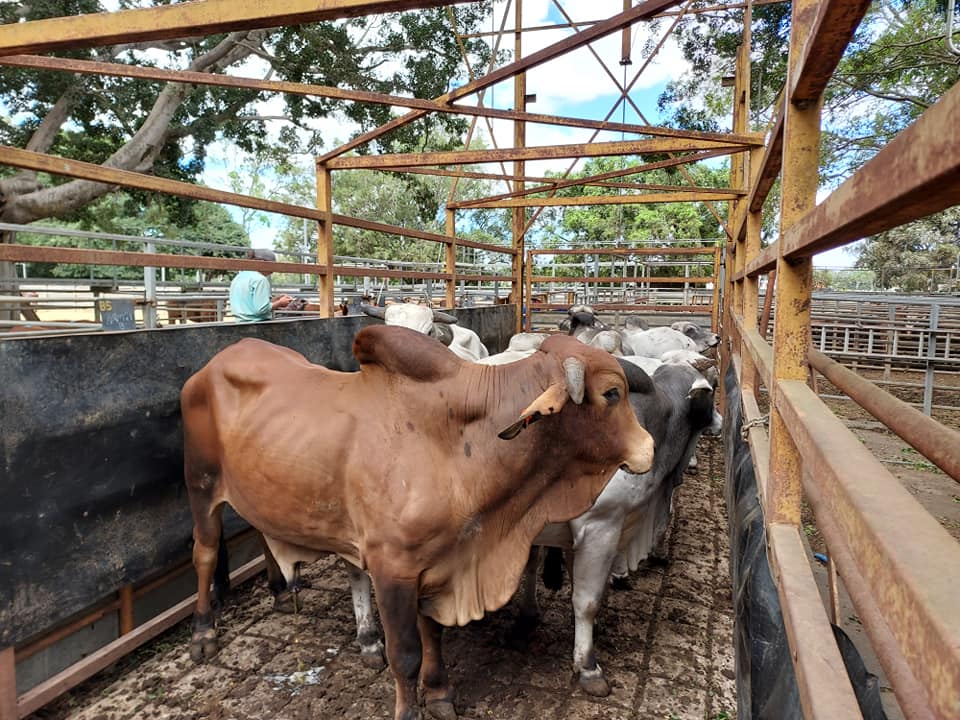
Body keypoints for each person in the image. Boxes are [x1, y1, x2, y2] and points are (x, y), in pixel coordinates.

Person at [229, 248, 293, 322]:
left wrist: (273, 300)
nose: (274, 269)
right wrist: (280, 303)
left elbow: (251, 303)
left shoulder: (238, 277)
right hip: (257, 323)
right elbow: (261, 309)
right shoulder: (260, 279)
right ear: (261, 262)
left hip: (239, 322)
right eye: (272, 264)